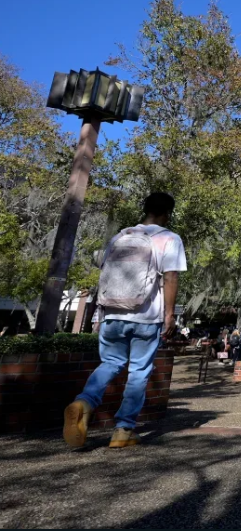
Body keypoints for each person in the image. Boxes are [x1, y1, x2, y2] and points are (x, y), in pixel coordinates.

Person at [63, 192, 187, 448]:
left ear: (145, 209)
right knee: (139, 372)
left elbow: (106, 273)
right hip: (146, 316)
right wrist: (169, 314)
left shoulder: (120, 236)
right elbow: (171, 278)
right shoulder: (169, 238)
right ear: (168, 213)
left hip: (112, 313)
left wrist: (100, 315)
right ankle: (123, 431)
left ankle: (84, 402)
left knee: (110, 362)